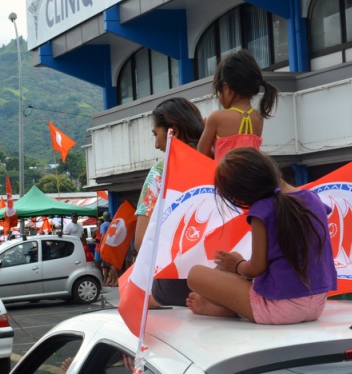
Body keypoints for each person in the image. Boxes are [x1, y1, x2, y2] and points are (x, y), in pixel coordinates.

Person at [186, 148, 337, 324]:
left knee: (195, 274)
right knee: (236, 274)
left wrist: (237, 264)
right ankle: (233, 304)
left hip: (278, 308)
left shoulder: (262, 210)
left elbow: (256, 268)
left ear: (244, 194)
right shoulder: (313, 198)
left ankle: (226, 307)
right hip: (317, 305)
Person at [134, 97, 205, 306]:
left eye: (156, 134)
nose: (156, 144)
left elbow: (142, 242)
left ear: (173, 131)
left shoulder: (161, 172)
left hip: (174, 285)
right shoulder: (220, 163)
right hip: (222, 281)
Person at [197, 49, 278, 163]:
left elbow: (201, 154)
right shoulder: (258, 118)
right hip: (251, 174)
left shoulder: (216, 117)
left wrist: (207, 130)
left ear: (226, 88)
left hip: (225, 175)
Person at [99, 211, 119, 287]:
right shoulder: (112, 223)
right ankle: (114, 280)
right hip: (113, 244)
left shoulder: (103, 225)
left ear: (104, 217)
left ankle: (117, 280)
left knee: (110, 264)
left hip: (107, 246)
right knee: (112, 264)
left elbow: (103, 236)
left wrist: (100, 245)